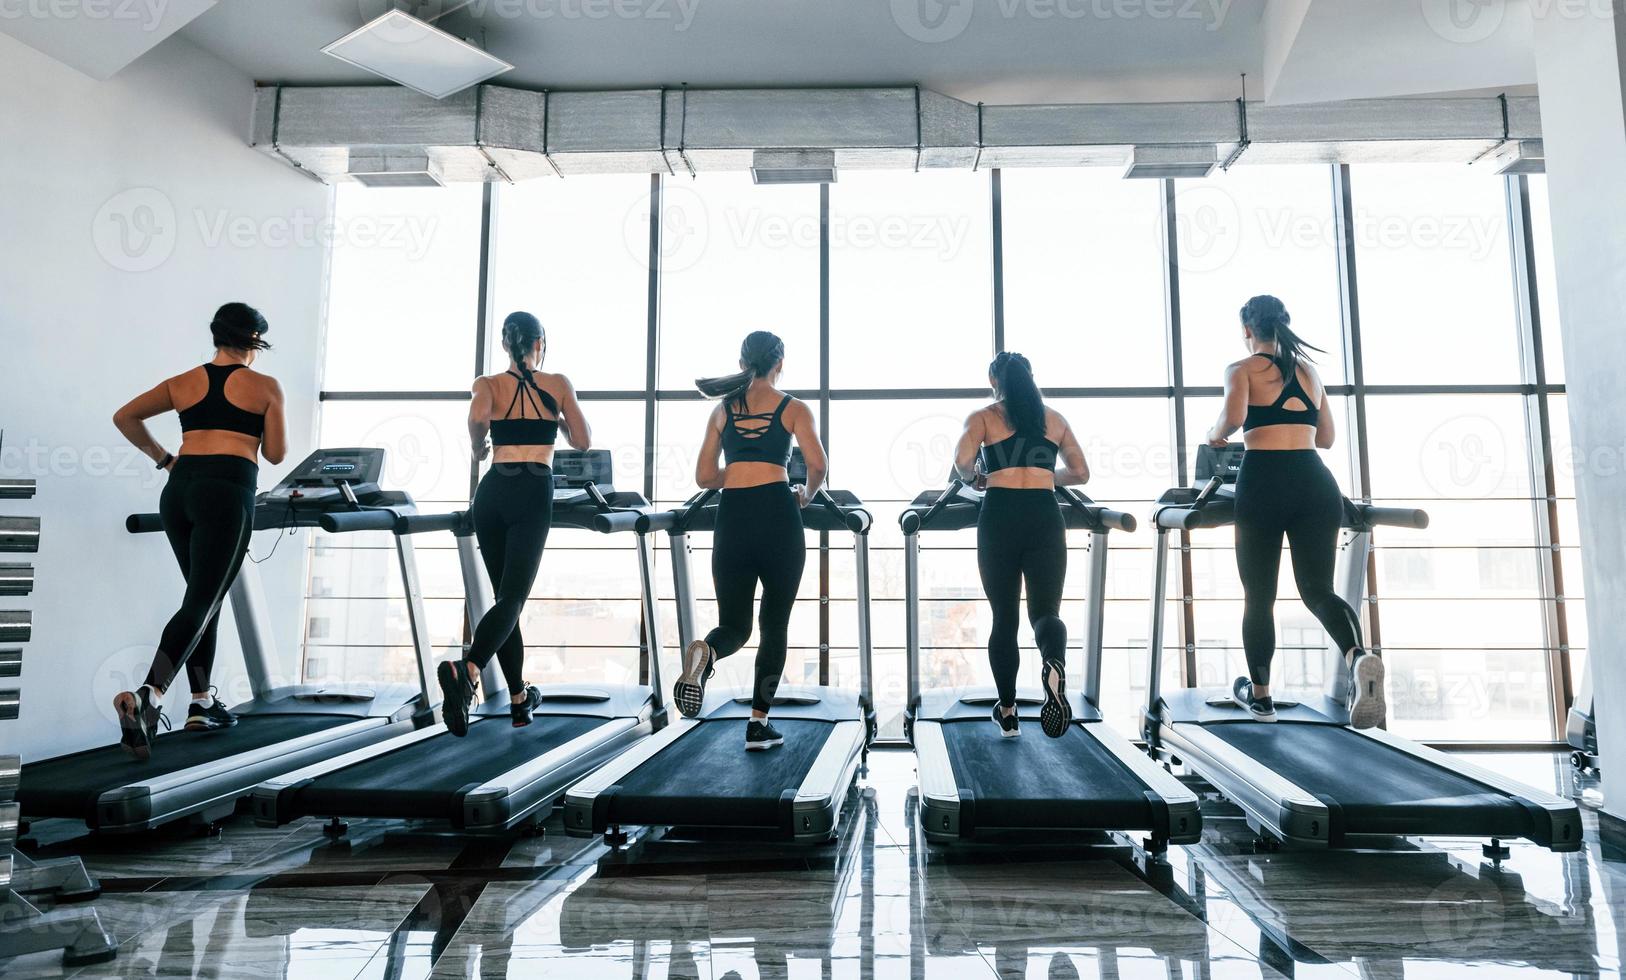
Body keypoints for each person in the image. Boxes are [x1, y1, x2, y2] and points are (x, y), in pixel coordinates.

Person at [109, 303, 288, 760]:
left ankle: (202, 702)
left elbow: (124, 417)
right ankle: (150, 694)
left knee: (202, 597)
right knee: (202, 601)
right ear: (255, 341)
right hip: (226, 491)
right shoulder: (264, 386)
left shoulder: (182, 382)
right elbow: (275, 455)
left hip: (179, 490)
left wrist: (165, 460)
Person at [1205, 294, 1382, 728]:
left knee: (1260, 595)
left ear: (1247, 330)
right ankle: (1357, 654)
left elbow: (1232, 417)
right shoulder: (1309, 371)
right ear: (1282, 326)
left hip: (1264, 481)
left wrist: (1214, 435)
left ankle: (1261, 699)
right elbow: (1326, 438)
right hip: (1315, 481)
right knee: (1317, 589)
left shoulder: (1240, 369)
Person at [438, 312, 591, 736]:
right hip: (532, 489)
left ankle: (519, 701)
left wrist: (477, 446)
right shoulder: (557, 384)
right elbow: (582, 440)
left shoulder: (487, 384)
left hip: (492, 493)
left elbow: (476, 419)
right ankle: (467, 670)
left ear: (507, 346)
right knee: (512, 600)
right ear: (540, 342)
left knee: (508, 602)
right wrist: (555, 418)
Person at [673, 331, 827, 751]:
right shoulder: (793, 408)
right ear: (780, 363)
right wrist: (806, 495)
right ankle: (758, 724)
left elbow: (705, 477)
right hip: (778, 513)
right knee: (774, 625)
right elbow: (818, 463)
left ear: (742, 362)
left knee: (735, 626)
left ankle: (707, 653)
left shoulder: (723, 410)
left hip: (734, 517)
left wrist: (739, 472)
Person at [952, 352, 1091, 739]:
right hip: (1045, 517)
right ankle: (1053, 661)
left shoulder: (983, 417)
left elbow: (963, 462)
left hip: (1000, 517)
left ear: (994, 380)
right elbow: (1081, 472)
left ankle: (1009, 712)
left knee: (1004, 618)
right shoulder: (1055, 420)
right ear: (1031, 378)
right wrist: (1047, 473)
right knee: (1045, 612)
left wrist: (979, 476)